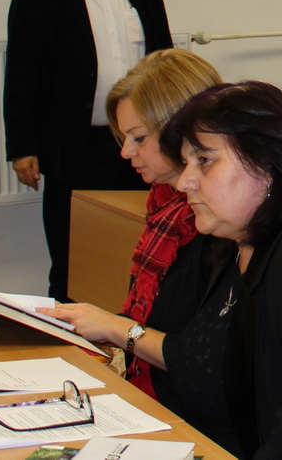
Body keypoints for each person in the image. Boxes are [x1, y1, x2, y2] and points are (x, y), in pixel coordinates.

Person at [45, 81, 282, 459]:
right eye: (186, 163)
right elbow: (203, 362)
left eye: (204, 161)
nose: (184, 182)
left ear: (268, 164)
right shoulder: (235, 247)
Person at [3, 0, 172, 301]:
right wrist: (22, 146)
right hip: (73, 146)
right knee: (72, 258)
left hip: (140, 144)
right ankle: (68, 328)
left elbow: (164, 63)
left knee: (145, 249)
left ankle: (133, 325)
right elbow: (22, 70)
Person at [105, 48, 222, 399]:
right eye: (125, 138)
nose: (126, 152)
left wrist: (114, 328)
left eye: (139, 137)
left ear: (181, 131)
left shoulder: (220, 229)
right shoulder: (164, 206)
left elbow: (202, 358)